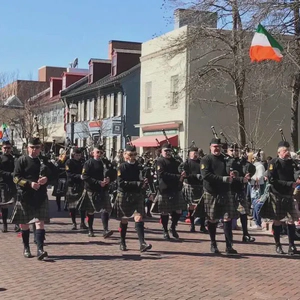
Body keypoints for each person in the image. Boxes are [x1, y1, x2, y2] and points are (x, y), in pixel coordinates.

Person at [195, 138, 239, 254]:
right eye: (214, 146)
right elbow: (206, 175)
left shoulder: (226, 159)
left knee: (227, 218)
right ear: (210, 147)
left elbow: (235, 171)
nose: (216, 148)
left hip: (225, 192)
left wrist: (234, 173)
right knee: (212, 219)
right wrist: (223, 179)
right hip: (211, 192)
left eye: (218, 146)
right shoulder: (206, 159)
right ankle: (213, 244)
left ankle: (229, 246)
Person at [11, 137, 50, 260]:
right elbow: (15, 178)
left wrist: (46, 179)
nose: (34, 150)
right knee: (25, 224)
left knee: (39, 222)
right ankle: (26, 248)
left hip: (40, 196)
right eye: (32, 147)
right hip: (25, 196)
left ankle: (40, 249)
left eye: (37, 147)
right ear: (28, 148)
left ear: (40, 148)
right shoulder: (21, 160)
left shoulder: (44, 161)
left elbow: (54, 173)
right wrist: (29, 184)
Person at [261, 141, 300, 255]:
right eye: (285, 150)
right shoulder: (273, 162)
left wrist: (298, 178)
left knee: (291, 220)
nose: (287, 152)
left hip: (289, 195)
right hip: (276, 195)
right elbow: (272, 180)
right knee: (277, 220)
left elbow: (296, 173)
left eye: (288, 150)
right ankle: (278, 245)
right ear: (279, 152)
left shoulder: (292, 163)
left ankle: (291, 245)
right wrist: (289, 184)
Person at [114, 144, 152, 252]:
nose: (132, 157)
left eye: (134, 154)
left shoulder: (139, 167)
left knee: (139, 218)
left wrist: (145, 184)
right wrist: (137, 184)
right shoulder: (121, 167)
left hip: (137, 195)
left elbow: (143, 180)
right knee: (124, 219)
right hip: (125, 195)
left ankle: (142, 243)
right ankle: (122, 242)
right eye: (130, 154)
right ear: (125, 155)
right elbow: (121, 184)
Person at [78, 145, 113, 238]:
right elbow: (85, 176)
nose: (99, 154)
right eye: (97, 152)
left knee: (106, 209)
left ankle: (106, 230)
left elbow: (113, 172)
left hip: (103, 189)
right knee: (90, 211)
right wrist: (98, 182)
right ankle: (90, 229)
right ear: (92, 153)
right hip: (91, 189)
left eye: (101, 152)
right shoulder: (88, 163)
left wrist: (110, 179)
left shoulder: (106, 163)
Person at [155, 143, 186, 240]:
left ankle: (173, 227)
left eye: (169, 151)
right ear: (162, 151)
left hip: (175, 189)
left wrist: (183, 175)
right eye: (166, 151)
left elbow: (181, 172)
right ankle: (165, 230)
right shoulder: (159, 161)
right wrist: (178, 176)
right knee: (164, 212)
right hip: (164, 189)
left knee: (178, 211)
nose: (168, 153)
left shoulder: (176, 162)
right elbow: (162, 174)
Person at [226, 143, 255, 242]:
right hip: (229, 191)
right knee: (228, 215)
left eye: (237, 150)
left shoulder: (242, 162)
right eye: (232, 150)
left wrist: (246, 162)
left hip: (240, 190)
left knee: (243, 213)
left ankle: (245, 234)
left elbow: (251, 169)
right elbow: (229, 173)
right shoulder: (226, 161)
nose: (235, 152)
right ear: (227, 151)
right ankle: (229, 236)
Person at [180, 146, 205, 233]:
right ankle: (192, 225)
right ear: (190, 154)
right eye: (194, 153)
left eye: (197, 153)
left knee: (202, 207)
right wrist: (195, 176)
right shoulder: (186, 163)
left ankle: (202, 226)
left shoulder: (201, 162)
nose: (195, 155)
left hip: (200, 186)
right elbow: (185, 174)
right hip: (190, 185)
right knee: (191, 207)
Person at [65, 147, 87, 230]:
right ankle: (74, 223)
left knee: (82, 206)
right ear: (73, 155)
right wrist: (79, 176)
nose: (78, 156)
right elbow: (69, 174)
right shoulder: (69, 162)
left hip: (81, 185)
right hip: (72, 185)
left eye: (79, 155)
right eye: (76, 155)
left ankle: (82, 223)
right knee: (72, 206)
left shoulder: (83, 162)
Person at [0, 141, 17, 232]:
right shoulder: (0, 158)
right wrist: (10, 174)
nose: (7, 149)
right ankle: (5, 225)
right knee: (4, 204)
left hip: (13, 184)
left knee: (16, 204)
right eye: (5, 148)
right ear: (2, 148)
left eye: (8, 148)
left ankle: (17, 224)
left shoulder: (13, 158)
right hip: (3, 184)